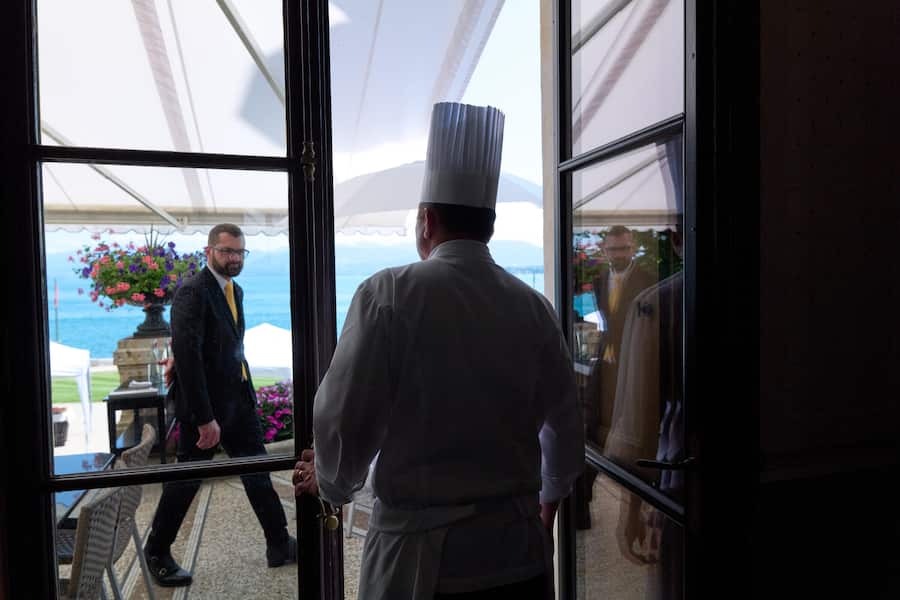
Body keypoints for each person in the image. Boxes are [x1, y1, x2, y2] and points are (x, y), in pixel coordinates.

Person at [293, 102, 584, 599]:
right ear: (489, 225)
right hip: (518, 559)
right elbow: (564, 428)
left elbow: (342, 418)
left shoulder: (388, 295)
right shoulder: (534, 307)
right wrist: (545, 509)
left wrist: (330, 479)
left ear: (426, 222)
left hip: (423, 569)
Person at [143, 223, 296, 587]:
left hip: (237, 402)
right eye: (227, 251)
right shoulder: (192, 291)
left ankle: (279, 543)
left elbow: (219, 345)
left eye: (239, 252)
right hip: (207, 410)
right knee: (186, 481)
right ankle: (156, 552)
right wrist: (205, 418)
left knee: (258, 473)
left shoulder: (234, 290)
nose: (234, 259)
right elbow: (189, 355)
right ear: (209, 251)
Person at [574, 226, 655, 529]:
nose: (618, 255)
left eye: (623, 249)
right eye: (612, 250)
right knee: (590, 431)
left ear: (632, 248)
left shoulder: (648, 281)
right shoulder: (599, 281)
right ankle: (582, 506)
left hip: (635, 367)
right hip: (605, 367)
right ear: (605, 251)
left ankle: (638, 508)